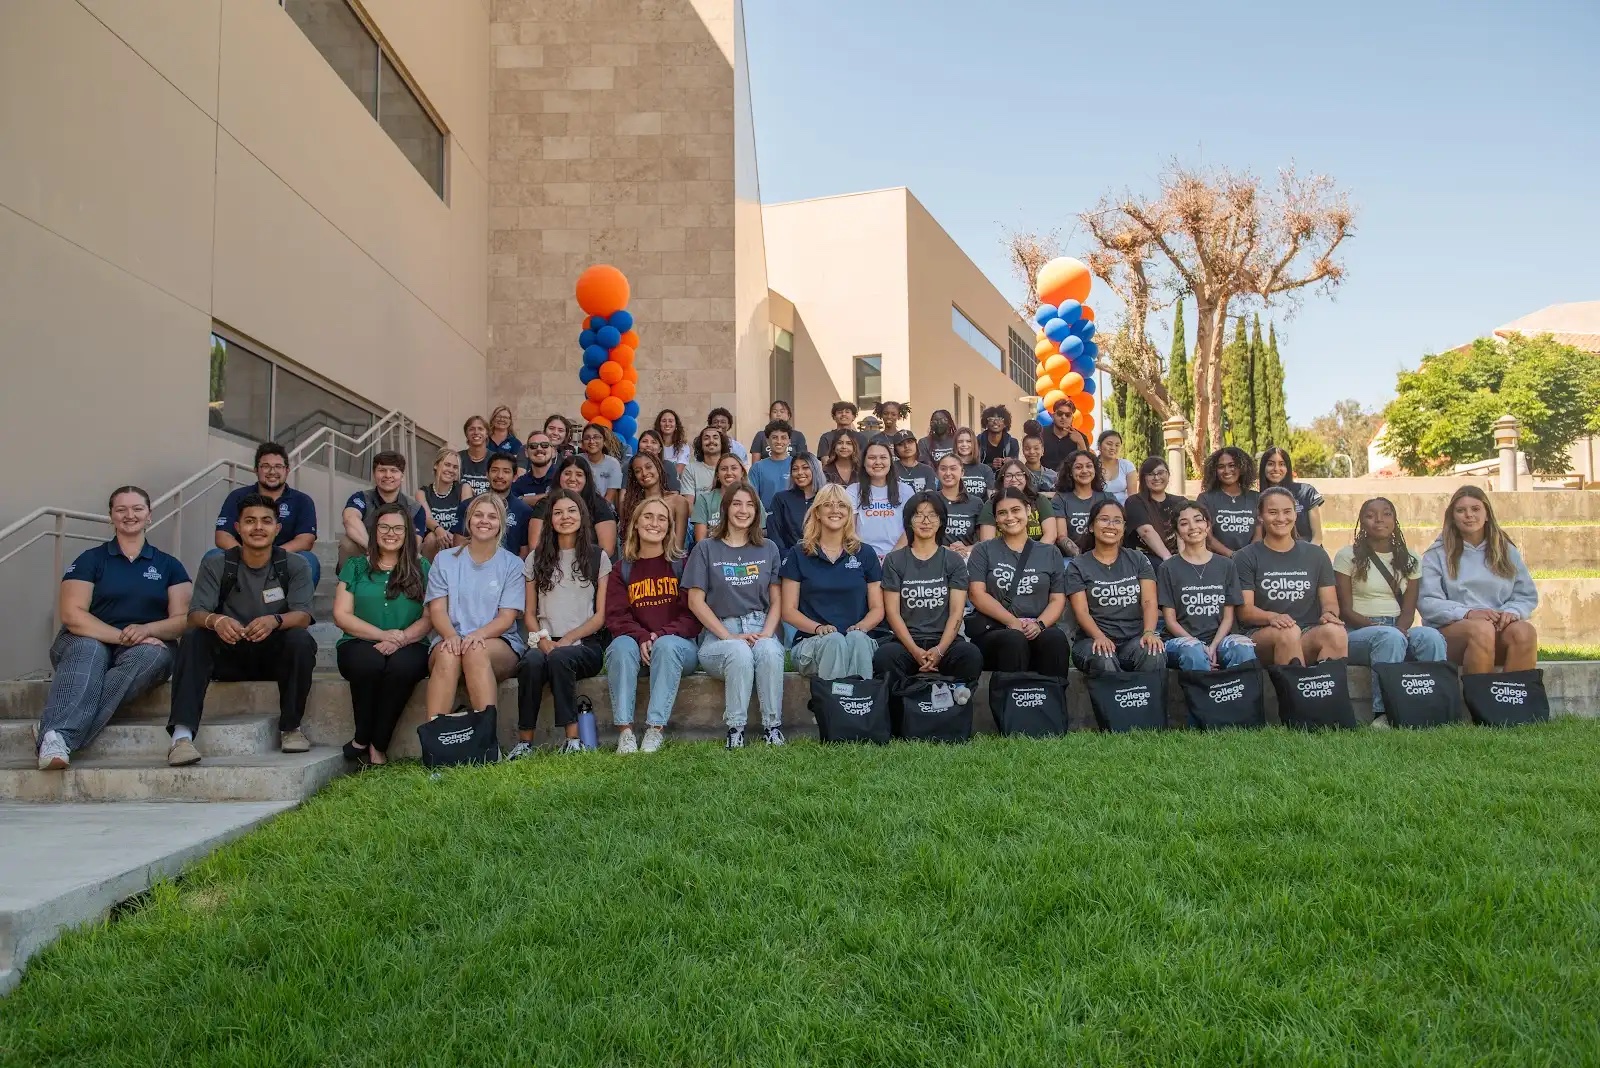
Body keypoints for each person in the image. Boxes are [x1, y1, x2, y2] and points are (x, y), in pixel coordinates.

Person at [33, 487, 192, 771]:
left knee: (150, 655)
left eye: (137, 509)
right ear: (111, 517)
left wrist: (146, 630)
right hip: (87, 640)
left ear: (149, 515)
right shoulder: (90, 559)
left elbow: (182, 619)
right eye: (121, 510)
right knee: (89, 648)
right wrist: (122, 637)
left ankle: (55, 732)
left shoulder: (170, 566)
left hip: (149, 644)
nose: (129, 515)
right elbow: (72, 615)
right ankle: (58, 736)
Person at [166, 493, 316, 766]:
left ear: (277, 528)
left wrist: (275, 621)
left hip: (273, 653)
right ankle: (182, 737)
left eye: (266, 521)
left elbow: (303, 615)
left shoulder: (294, 564)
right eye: (250, 521)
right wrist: (217, 621)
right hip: (229, 651)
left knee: (301, 640)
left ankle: (290, 728)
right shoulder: (217, 563)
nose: (258, 527)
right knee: (193, 637)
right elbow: (195, 614)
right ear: (237, 527)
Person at [685, 483, 786, 748]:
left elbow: (777, 600)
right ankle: (735, 729)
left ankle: (772, 727)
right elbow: (695, 602)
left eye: (750, 505)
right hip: (719, 633)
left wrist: (766, 634)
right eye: (737, 504)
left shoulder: (769, 549)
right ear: (726, 508)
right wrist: (729, 635)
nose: (743, 510)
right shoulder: (706, 548)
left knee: (769, 651)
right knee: (739, 652)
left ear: (757, 510)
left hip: (760, 624)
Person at [332, 501, 432, 766]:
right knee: (369, 664)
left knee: (402, 668)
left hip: (411, 642)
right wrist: (382, 635)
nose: (391, 533)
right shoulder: (355, 566)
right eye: (384, 527)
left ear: (408, 533)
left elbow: (430, 615)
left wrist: (402, 638)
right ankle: (363, 736)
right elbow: (341, 615)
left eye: (398, 528)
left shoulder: (421, 568)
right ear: (374, 531)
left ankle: (377, 744)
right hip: (358, 640)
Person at [1334, 497, 1448, 724]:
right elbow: (1345, 610)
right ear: (1361, 522)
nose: (1379, 520)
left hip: (1398, 628)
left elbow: (1409, 609)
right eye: (1370, 515)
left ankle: (1436, 709)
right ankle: (1384, 713)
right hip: (1357, 632)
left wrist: (1401, 630)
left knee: (1431, 637)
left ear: (1395, 521)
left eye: (1386, 514)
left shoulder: (1411, 558)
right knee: (1388, 637)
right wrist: (1383, 629)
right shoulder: (1347, 556)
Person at [515, 490, 610, 757]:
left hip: (584, 645)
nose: (565, 517)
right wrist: (545, 643)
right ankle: (524, 743)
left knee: (560, 659)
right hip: (544, 639)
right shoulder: (536, 558)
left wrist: (566, 641)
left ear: (582, 515)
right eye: (558, 512)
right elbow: (530, 614)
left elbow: (600, 616)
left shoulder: (597, 557)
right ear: (550, 519)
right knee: (531, 663)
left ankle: (572, 740)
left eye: (571, 511)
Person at [604, 499, 701, 753]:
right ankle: (625, 733)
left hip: (678, 648)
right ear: (635, 524)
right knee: (620, 647)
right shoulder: (622, 569)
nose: (654, 523)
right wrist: (641, 636)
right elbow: (616, 616)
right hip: (638, 646)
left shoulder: (682, 564)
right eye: (647, 517)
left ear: (669, 528)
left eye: (661, 519)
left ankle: (654, 730)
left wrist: (660, 635)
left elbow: (693, 617)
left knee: (667, 646)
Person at [423, 493, 525, 727]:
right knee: (449, 652)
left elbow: (506, 617)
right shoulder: (444, 560)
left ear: (501, 524)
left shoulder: (512, 564)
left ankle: (486, 742)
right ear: (468, 520)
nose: (484, 521)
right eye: (478, 515)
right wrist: (450, 636)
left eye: (492, 516)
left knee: (475, 650)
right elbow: (437, 610)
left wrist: (475, 636)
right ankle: (434, 741)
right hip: (450, 638)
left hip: (497, 641)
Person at [1419, 485, 1540, 675]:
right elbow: (1428, 603)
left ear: (1487, 514)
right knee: (1481, 629)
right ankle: (1480, 702)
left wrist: (1511, 612)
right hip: (1454, 633)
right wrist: (1468, 613)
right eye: (1461, 510)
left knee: (1525, 632)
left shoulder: (1506, 551)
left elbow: (1526, 596)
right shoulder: (1436, 554)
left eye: (1475, 509)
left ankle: (1514, 701)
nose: (1469, 515)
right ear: (1452, 516)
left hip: (1498, 628)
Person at [873, 492, 983, 695]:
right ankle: (902, 714)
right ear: (909, 521)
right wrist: (915, 651)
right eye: (918, 515)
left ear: (941, 521)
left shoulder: (953, 560)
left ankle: (956, 709)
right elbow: (893, 613)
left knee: (970, 654)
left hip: (945, 640)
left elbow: (956, 612)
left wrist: (940, 650)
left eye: (932, 515)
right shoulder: (894, 560)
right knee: (884, 657)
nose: (925, 521)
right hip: (906, 641)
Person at [1233, 487, 1347, 666]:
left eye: (1287, 512)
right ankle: (1295, 692)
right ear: (1260, 517)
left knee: (1336, 632)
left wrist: (1329, 614)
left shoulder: (1316, 555)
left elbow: (1330, 602)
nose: (1281, 518)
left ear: (1295, 514)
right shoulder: (1245, 557)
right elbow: (1245, 612)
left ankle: (1327, 691)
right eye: (1272, 512)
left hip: (1307, 632)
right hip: (1262, 635)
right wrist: (1272, 617)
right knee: (1288, 632)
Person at [782, 484, 884, 682]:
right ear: (817, 512)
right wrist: (818, 628)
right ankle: (835, 709)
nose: (835, 510)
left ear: (849, 512)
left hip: (857, 640)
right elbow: (788, 610)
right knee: (834, 641)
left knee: (856, 639)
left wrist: (862, 626)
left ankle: (862, 705)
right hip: (811, 642)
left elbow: (878, 608)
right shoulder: (799, 553)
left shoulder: (866, 553)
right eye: (828, 505)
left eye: (842, 506)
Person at [965, 488, 1070, 674]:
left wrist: (1039, 625)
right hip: (995, 630)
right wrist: (1012, 622)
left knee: (1055, 639)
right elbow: (976, 594)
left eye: (1016, 510)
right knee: (1013, 640)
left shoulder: (1049, 552)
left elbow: (1057, 599)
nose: (1009, 517)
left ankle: (1054, 700)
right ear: (996, 518)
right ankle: (1013, 700)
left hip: (1037, 627)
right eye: (1002, 513)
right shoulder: (983, 550)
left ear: (1028, 511)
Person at [1067, 499, 1166, 676]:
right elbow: (1081, 611)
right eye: (1104, 519)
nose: (1111, 525)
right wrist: (1099, 636)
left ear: (1123, 528)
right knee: (1104, 656)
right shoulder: (1078, 565)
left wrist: (1149, 632)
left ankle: (1149, 704)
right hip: (1092, 641)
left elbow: (1149, 602)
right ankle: (1115, 703)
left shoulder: (1138, 559)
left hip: (1133, 640)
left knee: (1153, 651)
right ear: (1091, 526)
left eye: (1117, 521)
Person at [1158, 502, 1257, 673]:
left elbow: (1228, 617)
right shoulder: (1168, 568)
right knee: (1193, 651)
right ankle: (1202, 696)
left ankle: (1240, 697)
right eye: (1184, 523)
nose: (1192, 527)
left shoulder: (1227, 565)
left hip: (1218, 639)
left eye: (1198, 520)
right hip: (1181, 642)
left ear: (1208, 525)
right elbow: (1170, 620)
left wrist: (1213, 647)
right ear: (1177, 532)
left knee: (1243, 647)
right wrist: (1200, 647)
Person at [211, 441, 321, 588]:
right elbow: (222, 536)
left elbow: (306, 540)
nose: (272, 472)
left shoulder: (302, 500)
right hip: (241, 559)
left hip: (283, 560)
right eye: (265, 466)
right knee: (212, 556)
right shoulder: (237, 496)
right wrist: (248, 556)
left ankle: (297, 609)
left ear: (287, 470)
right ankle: (214, 609)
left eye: (278, 466)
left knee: (309, 560)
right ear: (256, 470)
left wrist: (270, 556)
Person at [340, 450, 427, 569]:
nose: (388, 475)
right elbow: (350, 519)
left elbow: (414, 543)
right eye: (382, 470)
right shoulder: (361, 498)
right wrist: (373, 550)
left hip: (400, 557)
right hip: (367, 552)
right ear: (374, 474)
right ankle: (347, 583)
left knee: (419, 559)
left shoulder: (416, 508)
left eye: (394, 471)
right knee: (347, 543)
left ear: (402, 476)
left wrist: (389, 553)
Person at [527, 455, 619, 559]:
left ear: (586, 479)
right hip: (551, 564)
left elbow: (607, 550)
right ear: (559, 476)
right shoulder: (545, 504)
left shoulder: (599, 505)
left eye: (579, 474)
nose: (572, 479)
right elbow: (535, 547)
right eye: (567, 474)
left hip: (589, 566)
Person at [847, 441, 909, 560]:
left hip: (899, 557)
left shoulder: (906, 491)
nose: (878, 462)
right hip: (863, 557)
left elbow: (910, 528)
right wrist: (868, 557)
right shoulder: (853, 491)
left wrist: (892, 557)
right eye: (872, 458)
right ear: (864, 463)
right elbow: (850, 529)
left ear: (890, 462)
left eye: (883, 457)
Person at [617, 450, 690, 548]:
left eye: (648, 467)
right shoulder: (632, 504)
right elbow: (630, 543)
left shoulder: (678, 502)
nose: (644, 473)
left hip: (670, 559)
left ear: (658, 468)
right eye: (638, 471)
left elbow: (678, 546)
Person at [977, 459, 1059, 544]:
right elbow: (987, 542)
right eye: (1008, 476)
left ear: (1026, 478)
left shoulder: (1039, 499)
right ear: (1002, 479)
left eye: (1019, 475)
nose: (1014, 479)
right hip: (1002, 554)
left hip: (1039, 551)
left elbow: (1050, 535)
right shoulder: (992, 503)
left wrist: (1035, 555)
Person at [1124, 457, 1186, 567]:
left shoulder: (1180, 502)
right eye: (1151, 474)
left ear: (1168, 474)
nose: (1156, 477)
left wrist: (1183, 560)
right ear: (1143, 478)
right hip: (1146, 560)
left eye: (1161, 472)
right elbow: (1146, 532)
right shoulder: (1134, 502)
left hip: (1177, 558)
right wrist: (1168, 560)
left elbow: (1182, 534)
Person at [1197, 447, 1259, 556]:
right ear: (1214, 471)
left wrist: (1247, 556)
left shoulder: (1256, 498)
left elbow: (1260, 533)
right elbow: (1208, 537)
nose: (1226, 471)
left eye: (1232, 465)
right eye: (1221, 467)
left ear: (1242, 467)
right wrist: (1232, 555)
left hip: (1251, 560)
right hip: (1218, 562)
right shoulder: (1206, 499)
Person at [1053, 449, 1112, 558]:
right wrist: (1083, 560)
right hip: (1073, 559)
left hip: (1105, 556)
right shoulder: (1060, 499)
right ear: (1070, 472)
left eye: (1089, 466)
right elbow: (1061, 537)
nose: (1085, 471)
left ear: (1095, 470)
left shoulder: (1107, 497)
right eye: (1078, 467)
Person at [418, 446, 474, 561]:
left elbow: (466, 517)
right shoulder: (422, 492)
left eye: (455, 467)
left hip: (457, 539)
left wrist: (454, 536)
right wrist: (439, 530)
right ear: (436, 465)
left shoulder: (464, 488)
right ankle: (428, 575)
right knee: (431, 538)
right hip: (434, 541)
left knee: (462, 538)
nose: (451, 470)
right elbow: (427, 518)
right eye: (447, 465)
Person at [1259, 447, 1324, 544]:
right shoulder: (1257, 498)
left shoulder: (1306, 492)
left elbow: (1317, 537)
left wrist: (1308, 556)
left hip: (1307, 553)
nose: (1276, 469)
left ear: (1288, 468)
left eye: (1281, 464)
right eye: (1270, 464)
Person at [476, 454, 535, 558]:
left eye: (506, 471)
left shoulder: (524, 511)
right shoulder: (470, 505)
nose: (500, 476)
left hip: (510, 571)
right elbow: (460, 543)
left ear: (515, 477)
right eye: (494, 470)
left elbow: (524, 551)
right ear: (487, 474)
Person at [693, 454, 756, 542]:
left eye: (734, 468)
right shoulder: (704, 500)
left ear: (742, 473)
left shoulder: (753, 498)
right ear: (717, 474)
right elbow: (700, 542)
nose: (729, 473)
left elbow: (758, 535)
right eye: (724, 469)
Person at [767, 452, 819, 556]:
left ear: (815, 469)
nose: (800, 472)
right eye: (795, 469)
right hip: (789, 559)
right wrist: (787, 557)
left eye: (805, 468)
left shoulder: (824, 498)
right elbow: (775, 534)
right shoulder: (781, 499)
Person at [934, 454, 983, 558]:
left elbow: (983, 540)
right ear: (937, 473)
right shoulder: (930, 500)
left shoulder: (976, 502)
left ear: (962, 472)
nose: (948, 473)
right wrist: (944, 549)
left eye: (953, 468)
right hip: (936, 557)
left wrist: (967, 549)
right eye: (943, 469)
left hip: (967, 558)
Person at [749, 420, 799, 510]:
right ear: (767, 441)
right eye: (775, 437)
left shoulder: (797, 466)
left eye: (783, 438)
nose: (779, 441)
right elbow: (751, 498)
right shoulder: (757, 468)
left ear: (789, 441)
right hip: (767, 519)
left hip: (793, 518)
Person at [577, 422, 625, 506]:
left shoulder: (613, 464)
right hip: (579, 507)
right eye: (587, 438)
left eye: (596, 437)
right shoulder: (577, 460)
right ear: (582, 443)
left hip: (605, 509)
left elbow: (609, 498)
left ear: (604, 441)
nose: (591, 441)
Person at [509, 430, 558, 506]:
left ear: (553, 451)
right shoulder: (519, 483)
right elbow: (511, 502)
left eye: (544, 445)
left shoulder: (562, 478)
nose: (539, 449)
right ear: (526, 453)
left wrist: (523, 499)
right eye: (533, 446)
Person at [1040, 400, 1091, 472]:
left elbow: (1086, 464)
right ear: (1053, 415)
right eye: (1060, 414)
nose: (1063, 417)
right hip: (1043, 479)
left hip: (1069, 480)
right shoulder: (1041, 434)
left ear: (1072, 418)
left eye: (1068, 415)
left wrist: (1080, 442)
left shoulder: (1081, 438)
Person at [682, 425, 727, 501]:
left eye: (715, 437)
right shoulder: (691, 469)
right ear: (701, 444)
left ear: (722, 443)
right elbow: (689, 504)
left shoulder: (731, 468)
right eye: (706, 438)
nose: (711, 441)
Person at [953, 427, 996, 501]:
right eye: (960, 441)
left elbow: (991, 500)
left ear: (974, 444)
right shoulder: (950, 469)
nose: (964, 444)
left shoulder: (985, 470)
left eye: (969, 441)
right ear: (955, 444)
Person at [635, 429, 683, 494]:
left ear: (660, 449)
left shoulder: (667, 466)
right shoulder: (631, 465)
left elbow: (674, 496)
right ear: (639, 446)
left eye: (653, 442)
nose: (648, 445)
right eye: (644, 441)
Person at [890, 430, 937, 494]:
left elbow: (930, 496)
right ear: (895, 449)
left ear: (916, 444)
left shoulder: (927, 470)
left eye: (910, 442)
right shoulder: (891, 468)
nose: (906, 446)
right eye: (900, 444)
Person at [1098, 430, 1138, 502]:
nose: (1113, 448)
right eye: (1109, 444)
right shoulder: (1091, 466)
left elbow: (1132, 496)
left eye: (1117, 445)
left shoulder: (1127, 466)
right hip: (1097, 509)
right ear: (1099, 446)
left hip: (1122, 510)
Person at [459, 414, 494, 495]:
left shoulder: (496, 459)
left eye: (480, 429)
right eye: (471, 429)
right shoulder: (457, 458)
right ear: (466, 434)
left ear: (487, 434)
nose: (476, 432)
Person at [979, 405, 1019, 472]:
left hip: (1005, 480)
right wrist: (991, 465)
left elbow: (1017, 466)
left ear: (1005, 423)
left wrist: (1010, 462)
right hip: (983, 480)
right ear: (986, 422)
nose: (995, 422)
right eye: (991, 419)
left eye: (1000, 419)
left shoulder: (1012, 443)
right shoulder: (977, 441)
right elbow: (973, 465)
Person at [653, 409, 691, 474]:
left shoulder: (683, 447)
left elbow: (679, 471)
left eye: (670, 421)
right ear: (659, 424)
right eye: (664, 421)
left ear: (676, 425)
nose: (667, 424)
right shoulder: (653, 445)